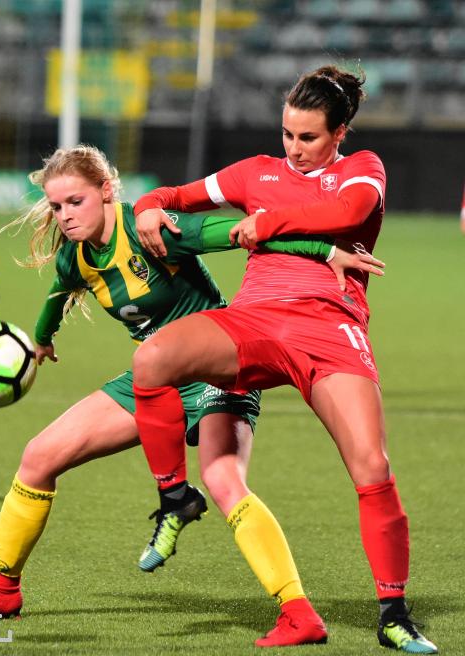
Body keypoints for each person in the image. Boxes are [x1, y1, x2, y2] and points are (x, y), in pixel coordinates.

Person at [0, 145, 383, 648]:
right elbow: (58, 294)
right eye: (57, 207)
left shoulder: (153, 231)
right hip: (152, 381)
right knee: (38, 457)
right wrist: (41, 341)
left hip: (219, 368)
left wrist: (325, 251)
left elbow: (243, 233)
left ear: (106, 191)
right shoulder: (76, 255)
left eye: (75, 202)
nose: (65, 216)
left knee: (223, 481)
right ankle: (2, 590)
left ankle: (298, 612)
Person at [131, 66, 437, 654]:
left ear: (339, 132)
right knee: (153, 360)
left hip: (329, 326)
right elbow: (173, 196)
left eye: (308, 138)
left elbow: (345, 217)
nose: (294, 150)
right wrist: (147, 206)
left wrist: (269, 220)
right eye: (287, 135)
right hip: (253, 321)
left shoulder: (362, 168)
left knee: (371, 466)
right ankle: (174, 497)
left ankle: (394, 614)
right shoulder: (256, 171)